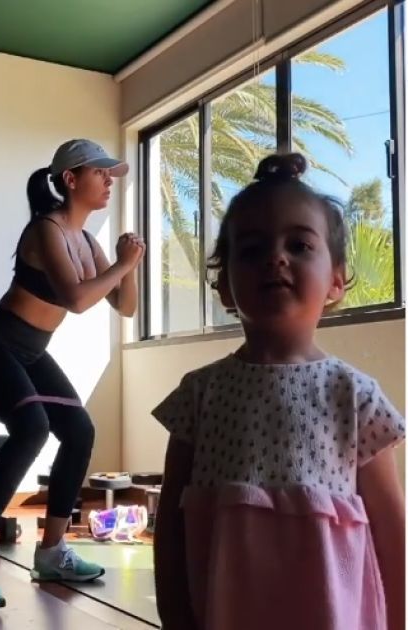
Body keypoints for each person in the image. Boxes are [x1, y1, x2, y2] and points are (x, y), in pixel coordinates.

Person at [152, 153, 405, 630]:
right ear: (224, 288)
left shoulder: (356, 397)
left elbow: (392, 529)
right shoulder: (199, 395)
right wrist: (174, 615)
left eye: (300, 245)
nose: (276, 258)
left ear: (336, 281)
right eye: (251, 249)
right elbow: (169, 525)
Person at [0, 139, 145, 608]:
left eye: (111, 174)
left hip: (31, 351)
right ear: (71, 179)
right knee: (31, 428)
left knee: (79, 430)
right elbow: (77, 299)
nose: (109, 181)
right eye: (100, 173)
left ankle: (52, 551)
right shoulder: (46, 230)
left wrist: (129, 266)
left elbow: (127, 307)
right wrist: (123, 264)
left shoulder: (87, 241)